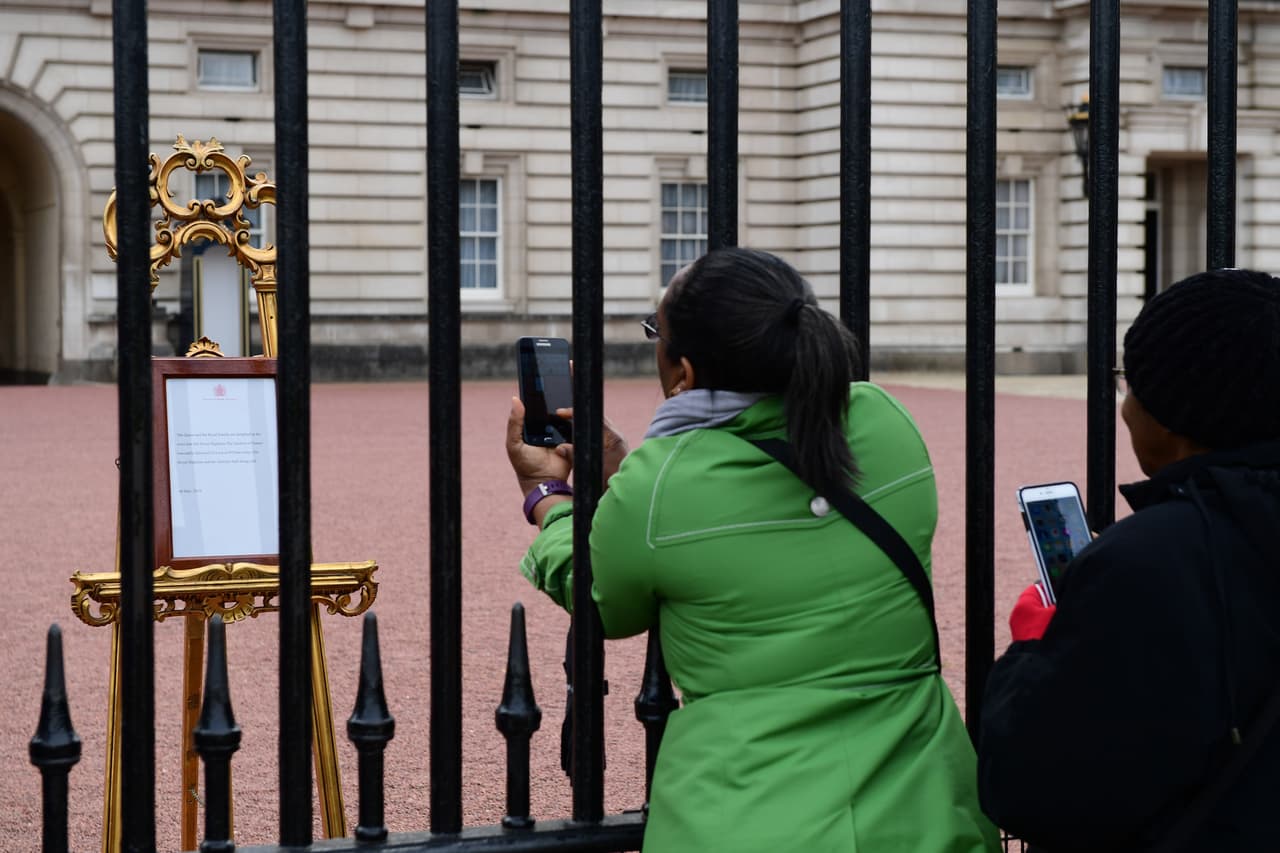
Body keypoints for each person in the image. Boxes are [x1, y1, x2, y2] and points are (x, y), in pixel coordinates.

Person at [505, 247, 998, 851]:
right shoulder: (884, 420)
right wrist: (623, 468)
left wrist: (548, 496)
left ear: (681, 372)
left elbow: (603, 598)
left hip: (746, 811)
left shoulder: (660, 487)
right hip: (924, 805)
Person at [978, 268, 1280, 851]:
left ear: (1170, 416)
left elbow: (1032, 789)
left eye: (1128, 384)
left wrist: (1032, 652)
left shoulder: (1148, 559)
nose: (1124, 405)